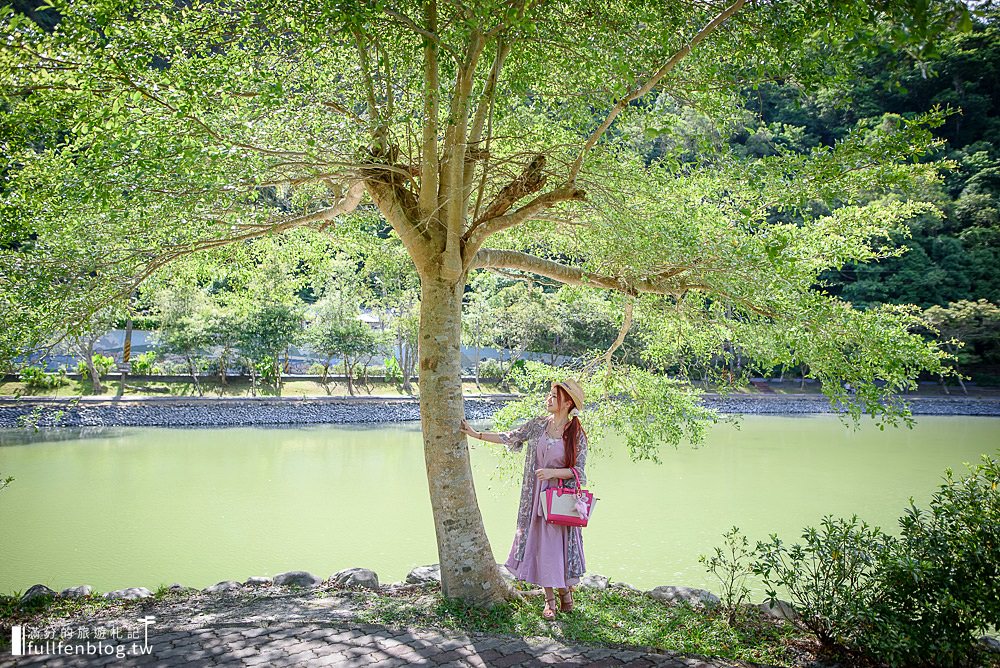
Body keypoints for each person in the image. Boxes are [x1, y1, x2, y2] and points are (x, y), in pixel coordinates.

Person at [460, 379, 588, 620]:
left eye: (554, 396)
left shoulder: (576, 433)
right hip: (536, 497)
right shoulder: (539, 425)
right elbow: (511, 436)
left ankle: (565, 594)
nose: (548, 399)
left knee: (558, 548)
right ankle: (550, 600)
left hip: (561, 499)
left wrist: (552, 473)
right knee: (542, 547)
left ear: (567, 403)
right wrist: (476, 434)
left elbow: (580, 472)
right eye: (549, 394)